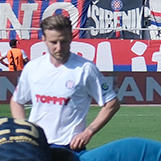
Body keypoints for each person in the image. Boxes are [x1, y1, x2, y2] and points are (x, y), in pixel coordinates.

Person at [9, 13, 118, 150]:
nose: (59, 47)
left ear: (71, 38)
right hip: (36, 146)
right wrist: (23, 130)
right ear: (44, 39)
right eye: (53, 42)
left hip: (69, 147)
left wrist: (88, 132)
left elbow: (112, 103)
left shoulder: (85, 69)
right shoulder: (32, 68)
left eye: (64, 41)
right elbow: (17, 101)